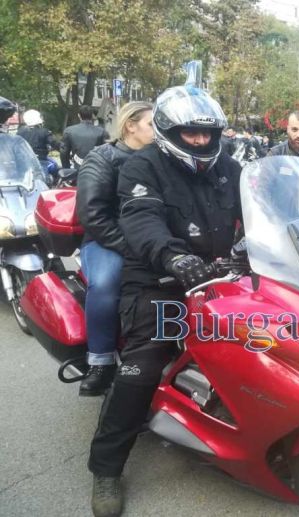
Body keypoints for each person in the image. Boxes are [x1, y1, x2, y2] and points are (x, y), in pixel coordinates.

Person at [87, 85, 242, 517]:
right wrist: (174, 257)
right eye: (191, 133)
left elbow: (261, 208)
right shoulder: (142, 166)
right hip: (160, 279)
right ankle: (106, 468)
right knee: (144, 363)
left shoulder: (229, 167)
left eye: (207, 133)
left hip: (218, 275)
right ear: (169, 131)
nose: (201, 140)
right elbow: (142, 221)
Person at [75, 101, 154, 397]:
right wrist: (128, 248)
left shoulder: (162, 158)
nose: (159, 131)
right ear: (130, 125)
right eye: (152, 124)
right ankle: (101, 361)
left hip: (152, 239)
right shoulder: (103, 158)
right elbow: (93, 214)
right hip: (106, 240)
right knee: (107, 283)